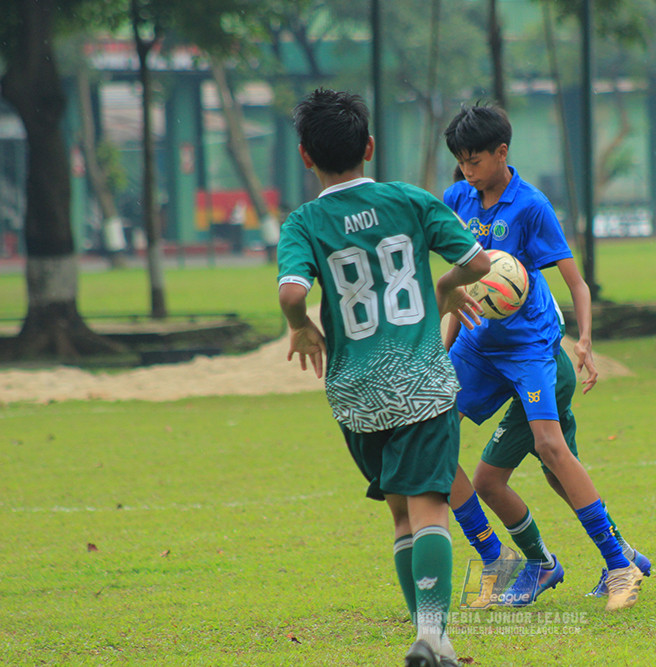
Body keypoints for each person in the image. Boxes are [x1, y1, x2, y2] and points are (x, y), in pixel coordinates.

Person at [277, 89, 490, 667]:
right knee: (431, 510)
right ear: (369, 147)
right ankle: (432, 636)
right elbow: (478, 263)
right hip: (420, 382)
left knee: (401, 513)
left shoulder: (305, 223)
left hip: (355, 395)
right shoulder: (409, 201)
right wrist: (444, 289)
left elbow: (293, 290)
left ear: (305, 157)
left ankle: (431, 640)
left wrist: (300, 325)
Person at [441, 103, 648, 612]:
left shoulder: (531, 206)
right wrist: (441, 353)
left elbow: (575, 283)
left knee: (553, 453)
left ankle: (618, 564)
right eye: (461, 162)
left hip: (531, 347)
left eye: (475, 160)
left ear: (501, 152)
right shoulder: (456, 199)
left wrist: (584, 341)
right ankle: (500, 559)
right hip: (477, 345)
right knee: (432, 438)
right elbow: (459, 289)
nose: (467, 171)